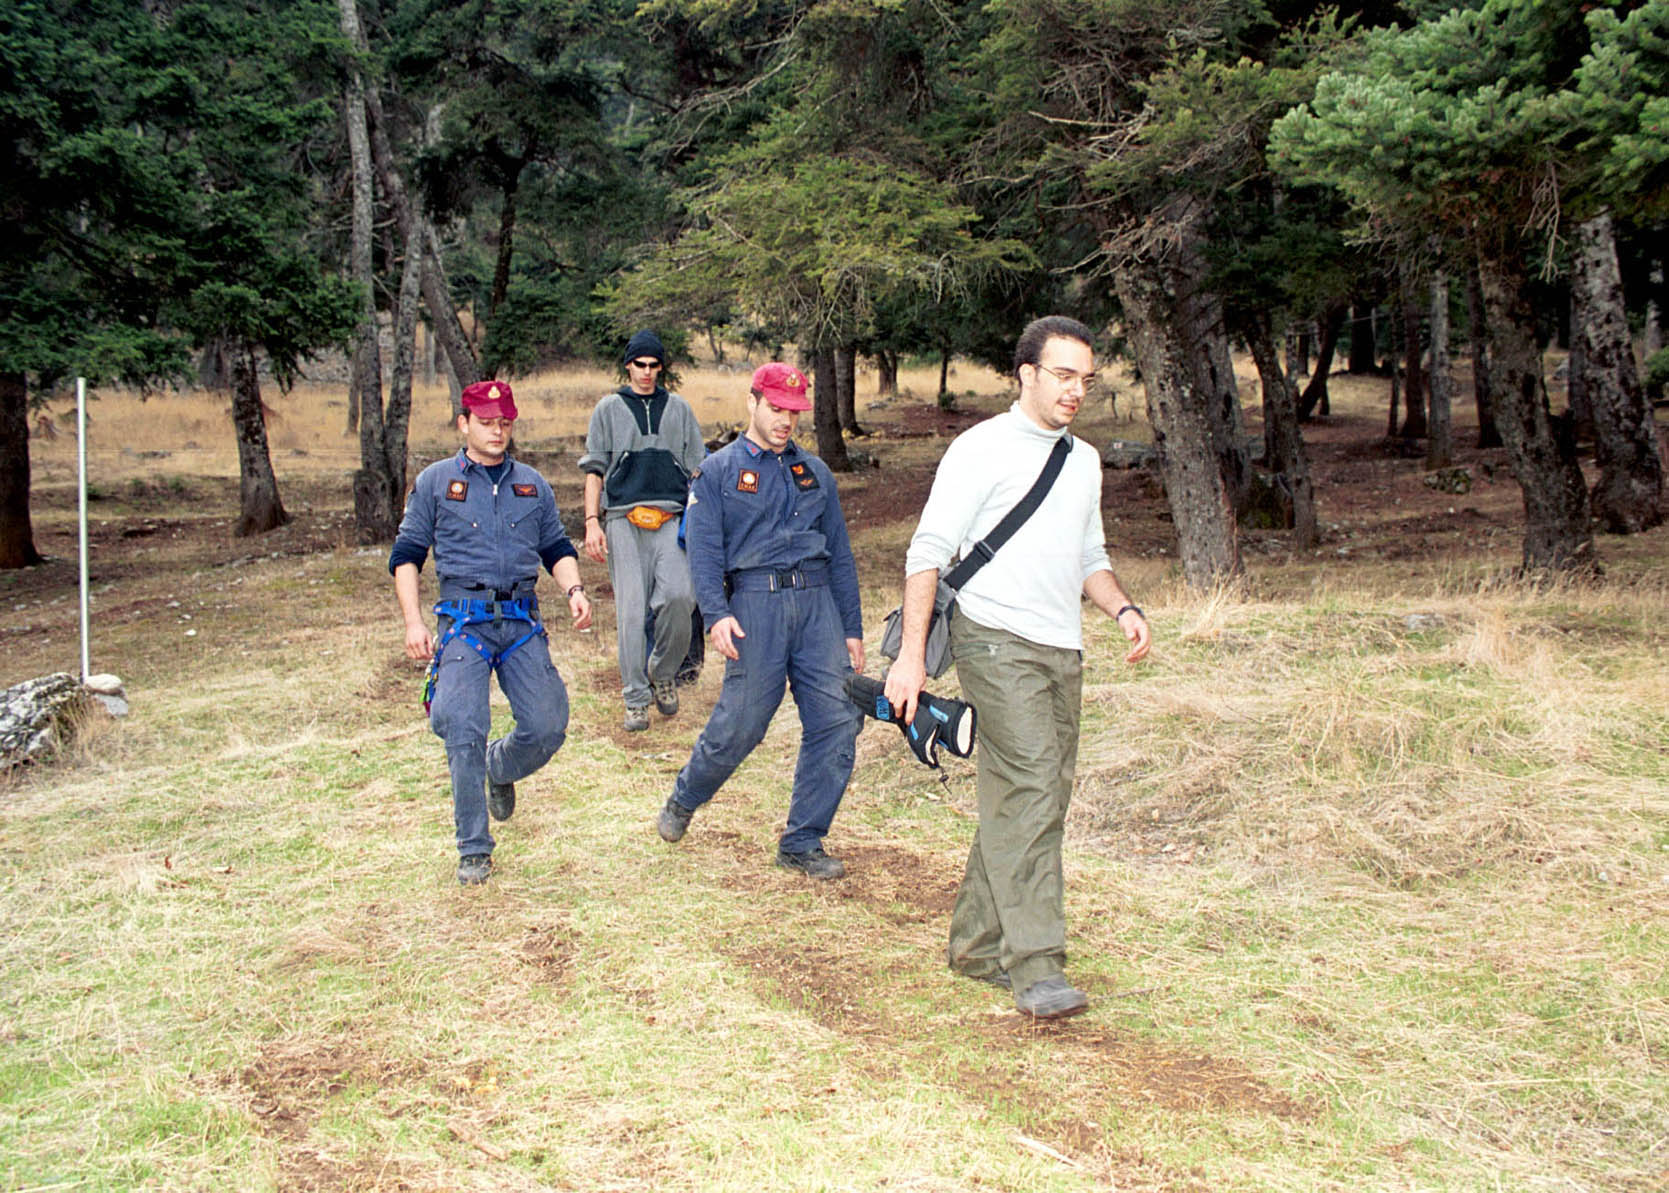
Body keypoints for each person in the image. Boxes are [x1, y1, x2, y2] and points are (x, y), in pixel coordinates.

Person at [883, 316, 1152, 1018]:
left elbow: (1089, 555)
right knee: (1032, 781)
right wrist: (910, 658)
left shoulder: (1083, 460)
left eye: (1086, 380)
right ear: (1025, 373)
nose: (1075, 391)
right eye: (1063, 375)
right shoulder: (981, 449)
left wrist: (1121, 609)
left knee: (1035, 793)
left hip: (1061, 645)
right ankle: (1035, 963)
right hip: (992, 637)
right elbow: (926, 552)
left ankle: (976, 944)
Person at [656, 363, 865, 879]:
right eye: (775, 409)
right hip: (755, 607)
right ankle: (687, 796)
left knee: (839, 719)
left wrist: (852, 628)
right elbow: (703, 554)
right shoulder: (719, 472)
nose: (785, 421)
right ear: (752, 403)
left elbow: (839, 554)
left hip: (817, 606)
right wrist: (717, 616)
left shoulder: (815, 472)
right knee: (743, 723)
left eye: (793, 411)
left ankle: (803, 840)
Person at [390, 380, 593, 885]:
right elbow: (407, 557)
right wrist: (414, 622)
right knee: (461, 723)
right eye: (486, 422)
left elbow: (556, 549)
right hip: (464, 622)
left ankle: (497, 767)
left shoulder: (532, 484)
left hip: (521, 622)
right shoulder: (437, 482)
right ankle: (474, 848)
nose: (497, 431)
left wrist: (573, 590)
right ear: (463, 423)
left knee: (549, 725)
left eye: (505, 423)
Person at [578, 330, 706, 732]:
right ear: (628, 366)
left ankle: (663, 672)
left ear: (661, 368)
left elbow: (698, 471)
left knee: (680, 598)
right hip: (623, 519)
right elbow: (595, 471)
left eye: (653, 365)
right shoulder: (608, 409)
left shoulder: (681, 409)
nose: (646, 373)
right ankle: (635, 699)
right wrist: (591, 522)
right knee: (631, 613)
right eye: (640, 365)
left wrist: (701, 522)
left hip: (670, 516)